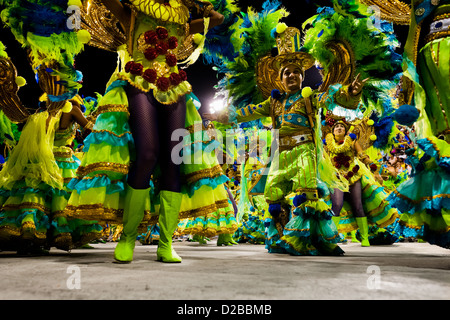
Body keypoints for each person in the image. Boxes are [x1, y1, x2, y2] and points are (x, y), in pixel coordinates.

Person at [65, 0, 237, 263]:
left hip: (174, 87)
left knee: (173, 161)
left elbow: (218, 17)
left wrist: (195, 3)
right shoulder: (130, 11)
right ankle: (128, 238)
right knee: (147, 154)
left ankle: (166, 243)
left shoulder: (182, 18)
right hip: (139, 82)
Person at [204, 26, 367, 255]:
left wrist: (351, 93)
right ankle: (281, 239)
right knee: (273, 194)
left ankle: (314, 240)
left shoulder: (310, 97)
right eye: (286, 73)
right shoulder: (274, 103)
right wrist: (221, 116)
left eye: (295, 72)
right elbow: (246, 111)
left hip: (305, 152)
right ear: (280, 80)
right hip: (281, 155)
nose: (291, 76)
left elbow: (334, 97)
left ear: (302, 77)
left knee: (306, 194)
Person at [324, 118, 399, 247]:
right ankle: (333, 237)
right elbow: (323, 161)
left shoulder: (353, 141)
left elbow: (362, 155)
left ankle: (365, 238)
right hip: (336, 178)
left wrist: (375, 170)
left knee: (358, 206)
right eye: (336, 127)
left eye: (342, 126)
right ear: (333, 131)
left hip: (354, 176)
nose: (339, 128)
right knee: (336, 205)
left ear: (346, 131)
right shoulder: (327, 144)